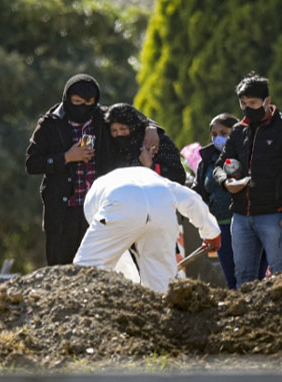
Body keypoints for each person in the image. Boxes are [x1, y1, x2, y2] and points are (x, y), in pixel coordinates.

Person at [25, 74, 160, 266]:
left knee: (98, 265)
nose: (83, 108)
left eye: (89, 103)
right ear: (67, 99)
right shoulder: (51, 123)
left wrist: (150, 127)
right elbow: (32, 163)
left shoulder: (102, 117)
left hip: (99, 208)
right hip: (64, 210)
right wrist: (66, 157)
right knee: (61, 266)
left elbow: (134, 118)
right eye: (77, 102)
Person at [73, 167, 221, 293]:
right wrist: (211, 232)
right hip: (160, 202)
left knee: (87, 268)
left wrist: (132, 285)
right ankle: (165, 320)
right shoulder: (159, 181)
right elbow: (191, 200)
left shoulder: (95, 196)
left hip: (120, 200)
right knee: (162, 283)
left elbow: (117, 257)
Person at [213, 73, 282, 288]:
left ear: (267, 102)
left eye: (252, 103)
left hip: (274, 215)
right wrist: (227, 183)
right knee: (244, 277)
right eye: (243, 103)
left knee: (279, 274)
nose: (247, 108)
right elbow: (220, 165)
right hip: (241, 216)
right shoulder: (238, 131)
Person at [192, 113, 268, 289]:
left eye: (224, 133)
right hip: (221, 226)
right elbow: (199, 191)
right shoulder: (207, 162)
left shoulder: (250, 153)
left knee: (254, 278)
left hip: (249, 223)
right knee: (232, 277)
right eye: (214, 134)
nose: (218, 138)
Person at [105, 103, 186, 185]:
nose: (119, 133)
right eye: (114, 130)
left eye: (123, 129)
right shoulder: (111, 146)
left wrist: (151, 166)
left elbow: (179, 176)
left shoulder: (156, 141)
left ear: (133, 126)